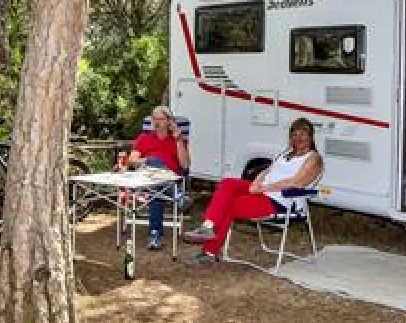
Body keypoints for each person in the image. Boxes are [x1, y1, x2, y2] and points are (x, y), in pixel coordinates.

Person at [182, 117, 323, 264]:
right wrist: (256, 182)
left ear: (311, 136)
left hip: (281, 200)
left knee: (230, 205)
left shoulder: (313, 158)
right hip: (262, 190)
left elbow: (296, 183)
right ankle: (208, 226)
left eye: (303, 134)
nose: (298, 138)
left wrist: (264, 188)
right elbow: (267, 170)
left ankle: (209, 253)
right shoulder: (286, 154)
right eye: (295, 134)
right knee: (227, 183)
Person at [127, 105, 190, 250]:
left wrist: (179, 141)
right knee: (154, 162)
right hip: (147, 177)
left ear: (169, 121)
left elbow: (185, 165)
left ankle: (155, 235)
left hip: (168, 180)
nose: (156, 122)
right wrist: (148, 161)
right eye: (154, 118)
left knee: (156, 192)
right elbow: (131, 160)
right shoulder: (144, 138)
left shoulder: (178, 140)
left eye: (160, 119)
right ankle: (178, 197)